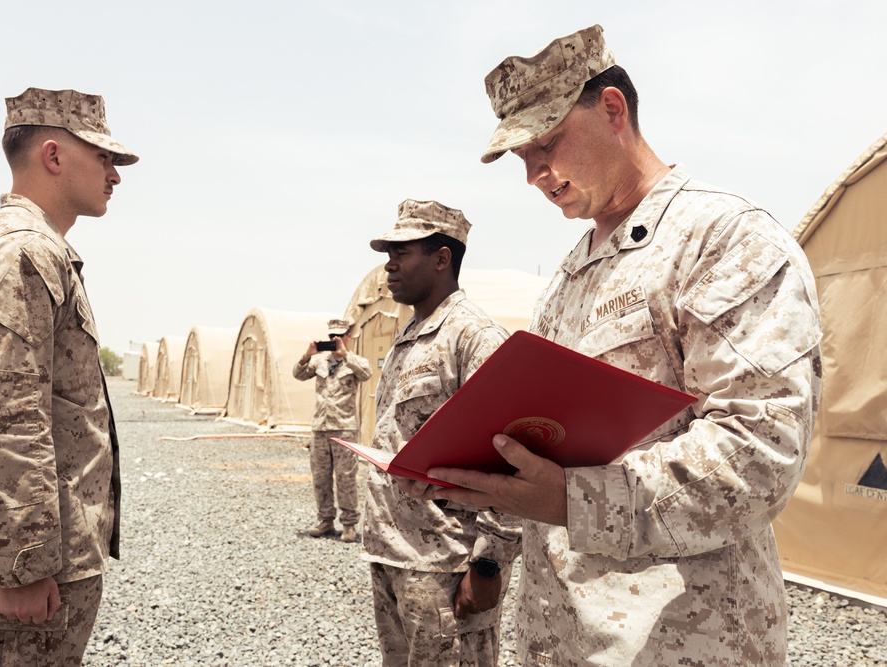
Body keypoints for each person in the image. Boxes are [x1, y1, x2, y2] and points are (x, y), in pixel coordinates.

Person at [413, 25, 823, 666]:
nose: (534, 175)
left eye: (546, 143)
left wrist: (574, 501)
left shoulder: (721, 240)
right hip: (562, 640)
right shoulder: (572, 274)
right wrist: (469, 483)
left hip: (677, 641)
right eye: (521, 157)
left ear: (612, 110)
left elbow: (760, 451)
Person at [0, 87, 138, 666]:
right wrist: (23, 563)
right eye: (103, 157)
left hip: (51, 555)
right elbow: (0, 414)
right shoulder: (21, 252)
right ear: (53, 156)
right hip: (33, 567)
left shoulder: (34, 249)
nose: (114, 175)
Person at [361, 199, 522, 666]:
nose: (388, 266)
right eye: (387, 253)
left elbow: (513, 454)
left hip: (447, 564)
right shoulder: (412, 334)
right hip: (395, 554)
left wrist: (489, 563)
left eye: (402, 252)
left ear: (442, 258)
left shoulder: (473, 337)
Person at [293, 318, 372, 542]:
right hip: (320, 428)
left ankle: (349, 524)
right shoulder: (320, 363)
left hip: (344, 427)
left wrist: (345, 354)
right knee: (320, 477)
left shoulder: (354, 362)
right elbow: (298, 375)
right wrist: (307, 355)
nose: (334, 340)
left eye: (339, 336)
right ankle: (325, 520)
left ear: (348, 336)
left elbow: (366, 373)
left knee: (346, 477)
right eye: (331, 337)